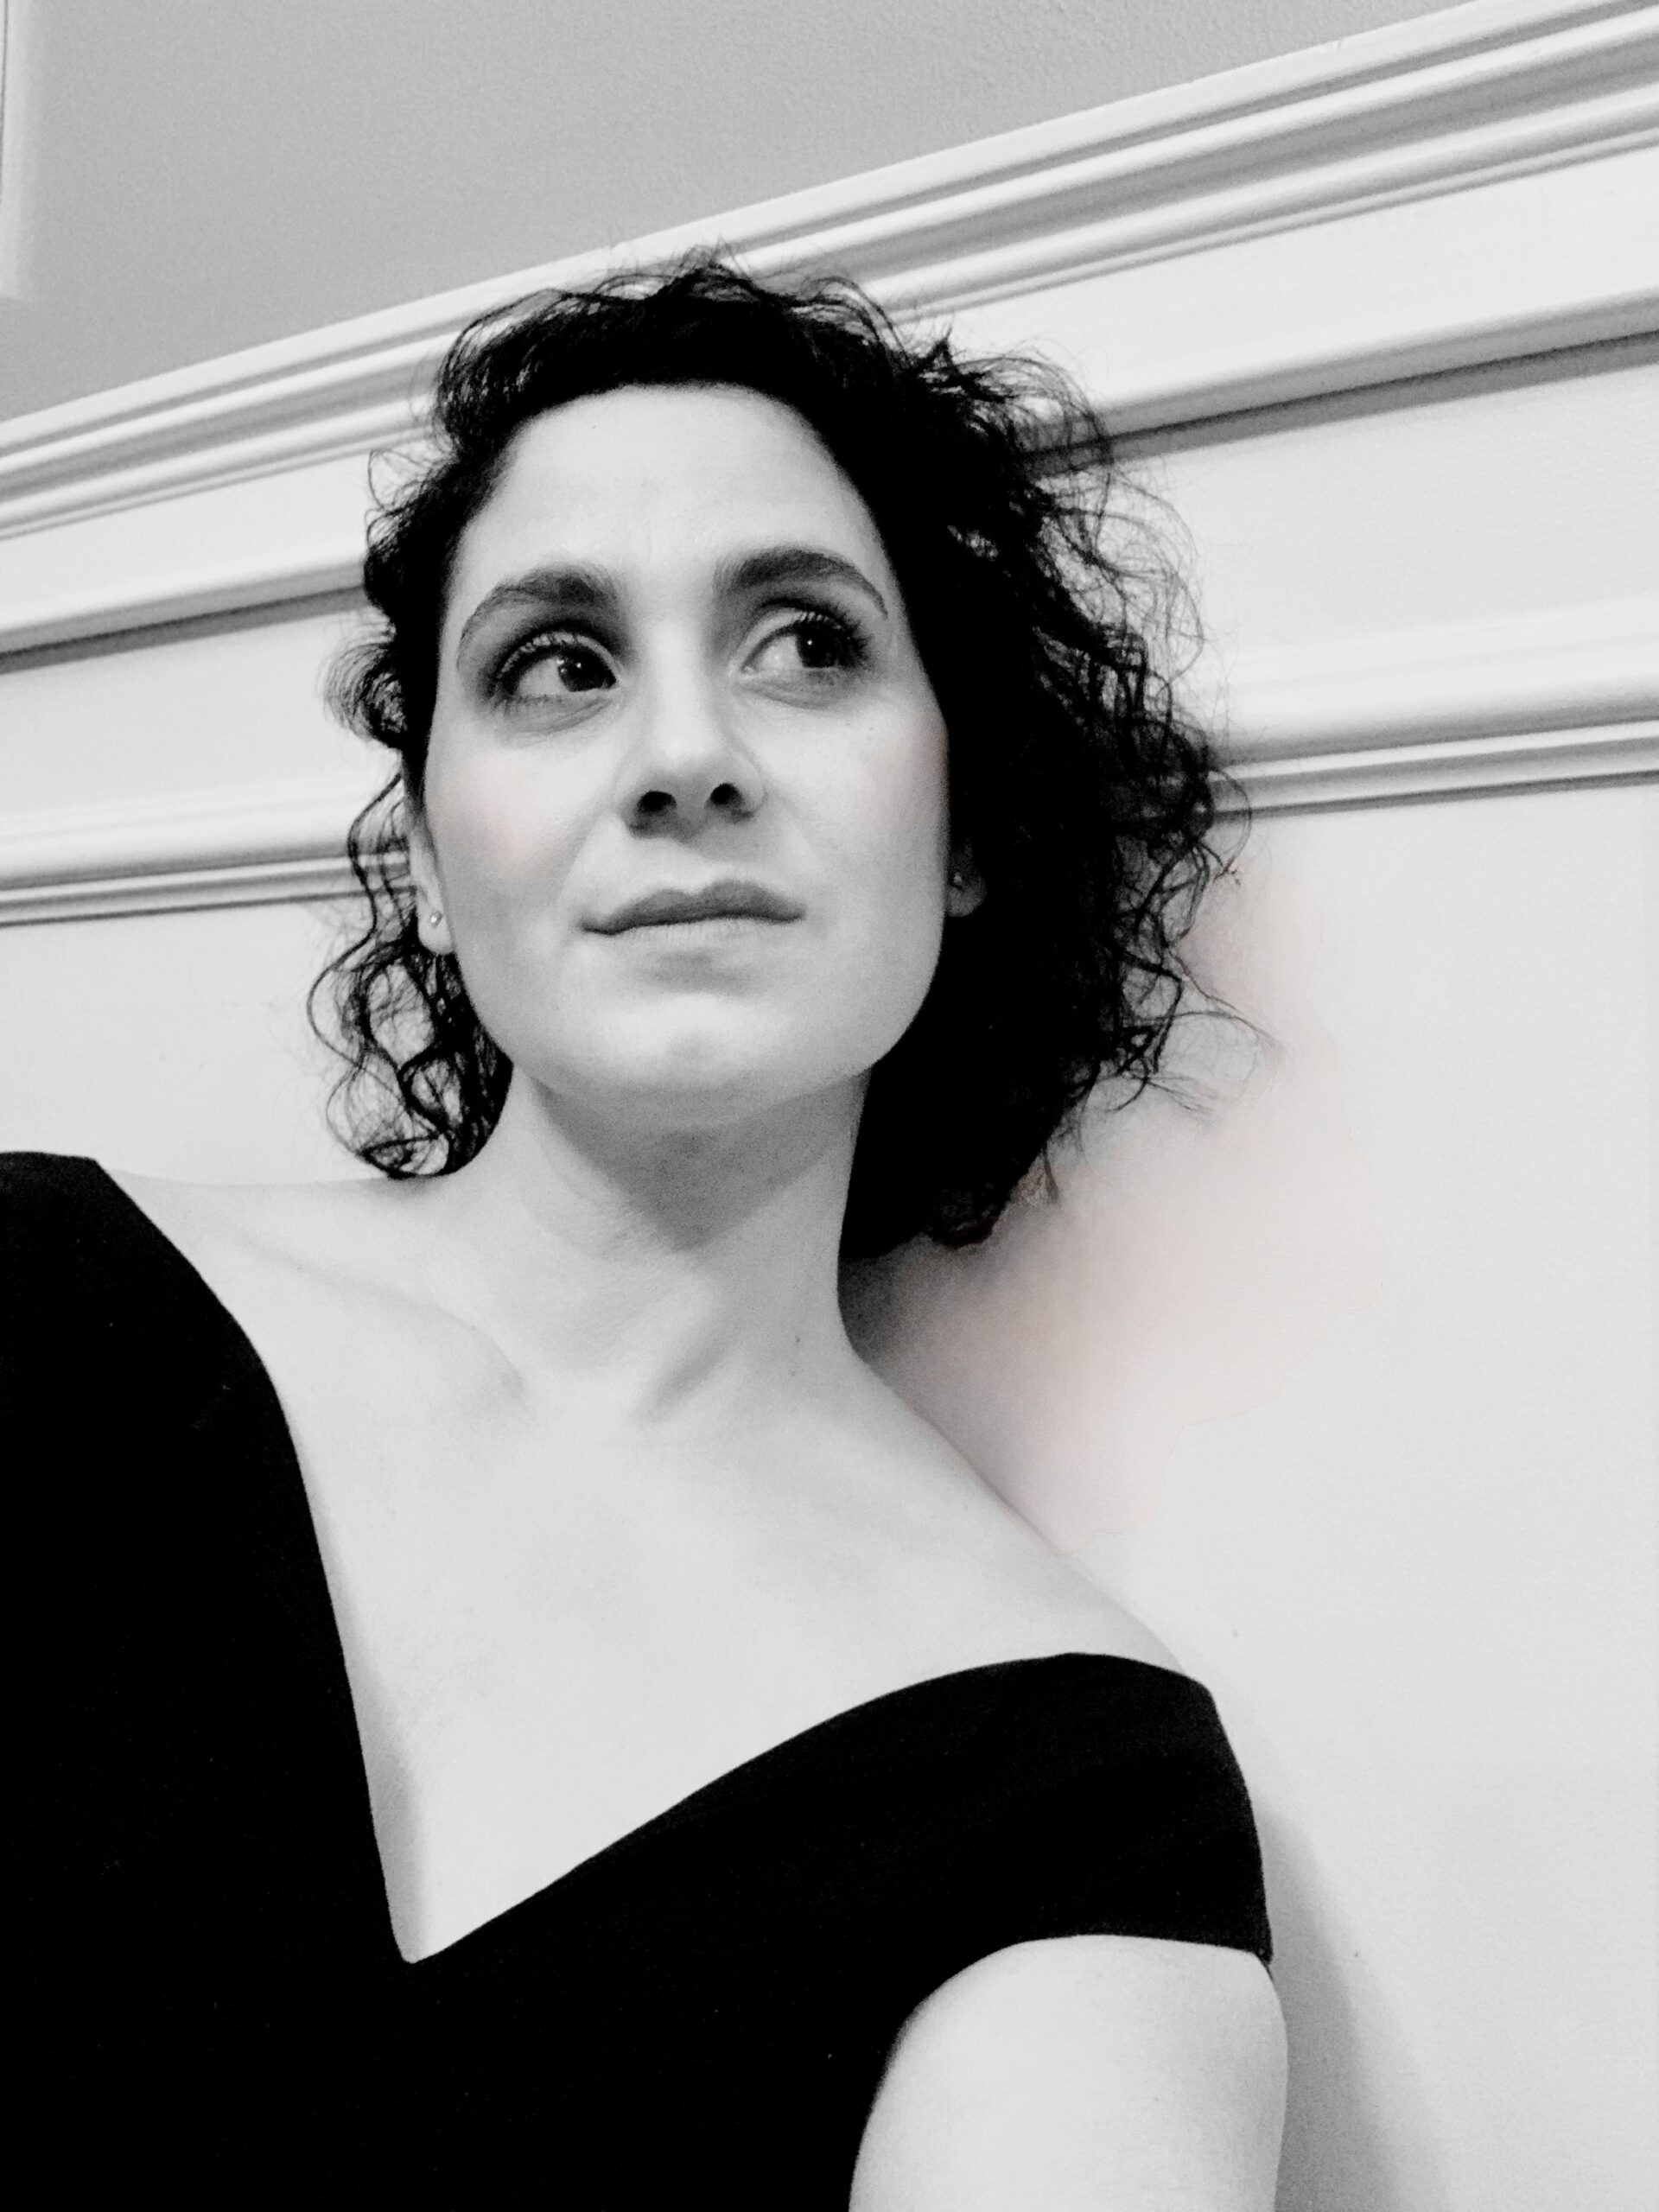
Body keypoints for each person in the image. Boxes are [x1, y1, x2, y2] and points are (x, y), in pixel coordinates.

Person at [8, 257, 1285, 2206]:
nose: (688, 756)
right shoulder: (27, 1294)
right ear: (431, 854)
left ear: (964, 828)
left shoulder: (1080, 1802)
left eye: (807, 643)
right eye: (560, 664)